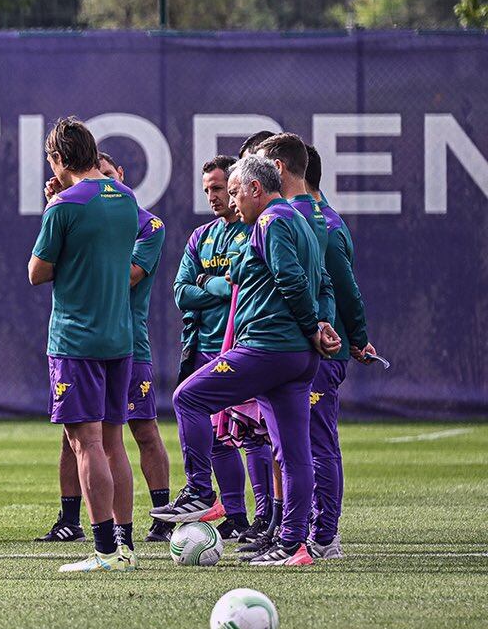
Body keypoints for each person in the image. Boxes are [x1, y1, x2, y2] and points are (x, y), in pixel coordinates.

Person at [156, 153, 341, 566]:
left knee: (188, 397)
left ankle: (201, 491)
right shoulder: (300, 220)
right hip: (296, 356)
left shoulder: (271, 221)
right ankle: (293, 543)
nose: (232, 201)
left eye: (235, 191)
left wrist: (312, 326)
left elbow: (289, 279)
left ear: (256, 188)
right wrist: (319, 327)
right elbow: (308, 279)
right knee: (293, 453)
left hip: (267, 347)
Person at [27, 117, 139, 573]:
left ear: (57, 159)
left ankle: (105, 552)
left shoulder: (64, 206)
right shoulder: (127, 198)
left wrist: (52, 205)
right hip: (119, 335)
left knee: (85, 443)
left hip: (76, 338)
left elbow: (37, 271)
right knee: (114, 442)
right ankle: (127, 546)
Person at [262, 135, 378, 559]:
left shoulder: (318, 223)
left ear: (278, 168)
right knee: (297, 444)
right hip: (309, 347)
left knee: (316, 442)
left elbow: (343, 289)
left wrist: (358, 338)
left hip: (323, 352)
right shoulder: (305, 215)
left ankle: (324, 536)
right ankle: (304, 531)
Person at [54, 154, 172, 545]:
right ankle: (71, 519)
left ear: (119, 177)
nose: (100, 185)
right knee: (78, 438)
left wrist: (77, 242)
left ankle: (157, 517)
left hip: (127, 340)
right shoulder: (76, 211)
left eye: (107, 176)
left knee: (137, 430)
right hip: (93, 338)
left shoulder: (149, 225)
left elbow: (127, 277)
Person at [171, 155, 268, 539]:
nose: (213, 196)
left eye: (218, 188)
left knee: (252, 432)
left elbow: (239, 287)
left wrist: (208, 283)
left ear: (237, 187)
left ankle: (266, 515)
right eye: (208, 189)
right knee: (215, 435)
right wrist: (218, 285)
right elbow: (181, 292)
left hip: (242, 346)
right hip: (203, 347)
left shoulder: (254, 230)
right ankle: (235, 514)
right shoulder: (201, 236)